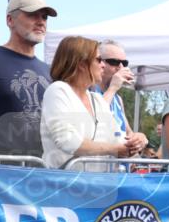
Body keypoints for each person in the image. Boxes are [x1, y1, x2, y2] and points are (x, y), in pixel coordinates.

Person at [0, 0, 57, 156]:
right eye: (32, 15)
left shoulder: (49, 71)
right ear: (10, 20)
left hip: (41, 170)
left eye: (44, 17)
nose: (40, 22)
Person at [40, 36, 140, 169]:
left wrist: (137, 140)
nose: (103, 65)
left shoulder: (96, 99)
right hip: (65, 184)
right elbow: (67, 140)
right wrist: (114, 149)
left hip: (97, 185)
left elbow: (117, 138)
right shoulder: (58, 90)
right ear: (81, 64)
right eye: (99, 60)